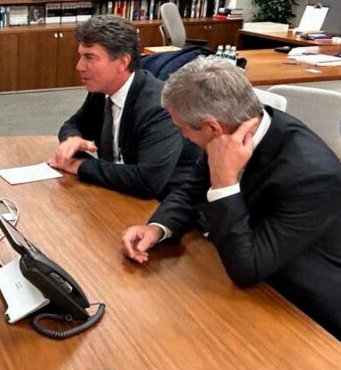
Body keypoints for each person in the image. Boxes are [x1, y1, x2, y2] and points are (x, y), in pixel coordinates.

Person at [121, 57, 341, 340]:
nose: (182, 136)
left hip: (304, 310)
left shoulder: (312, 175)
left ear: (213, 128)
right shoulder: (235, 128)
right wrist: (158, 228)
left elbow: (247, 268)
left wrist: (224, 182)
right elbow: (191, 189)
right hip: (247, 280)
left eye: (182, 129)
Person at [49, 15, 200, 200]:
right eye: (81, 56)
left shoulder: (159, 107)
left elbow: (148, 182)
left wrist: (80, 166)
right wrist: (73, 139)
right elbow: (72, 125)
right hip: (120, 194)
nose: (79, 66)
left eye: (90, 57)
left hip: (166, 208)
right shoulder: (102, 90)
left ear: (123, 62)